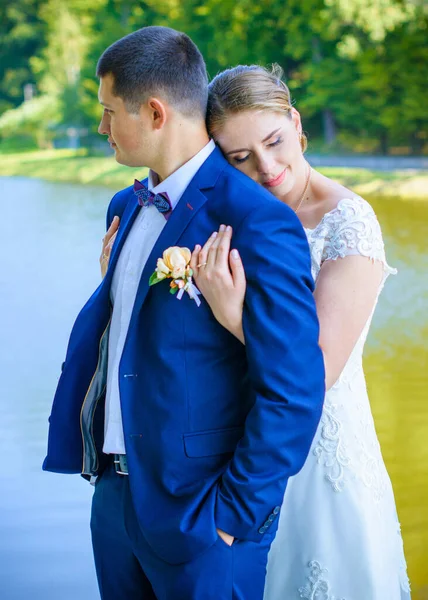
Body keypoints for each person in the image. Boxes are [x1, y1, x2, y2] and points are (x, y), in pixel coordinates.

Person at [42, 28, 325, 600]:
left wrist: (230, 517)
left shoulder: (256, 220)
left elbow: (294, 388)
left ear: (153, 112)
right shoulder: (124, 205)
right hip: (117, 504)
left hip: (205, 517)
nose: (102, 128)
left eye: (107, 112)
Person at [189, 64, 411, 599]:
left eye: (274, 142)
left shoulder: (348, 221)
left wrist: (233, 315)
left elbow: (321, 368)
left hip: (323, 454)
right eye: (239, 157)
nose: (265, 168)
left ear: (295, 121)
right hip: (237, 449)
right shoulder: (231, 219)